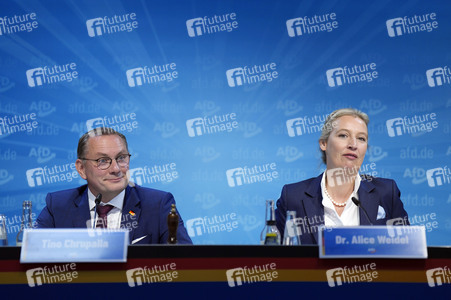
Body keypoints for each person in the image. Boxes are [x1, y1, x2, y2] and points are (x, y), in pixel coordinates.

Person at [37, 127, 192, 244]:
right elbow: (33, 257)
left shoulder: (158, 204)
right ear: (81, 168)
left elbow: (186, 264)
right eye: (102, 161)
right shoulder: (58, 206)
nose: (116, 169)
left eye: (121, 158)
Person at [275, 108, 409, 244]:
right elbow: (273, 257)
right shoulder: (293, 197)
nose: (353, 145)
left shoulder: (386, 193)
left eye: (361, 138)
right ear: (324, 143)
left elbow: (408, 251)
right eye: (343, 135)